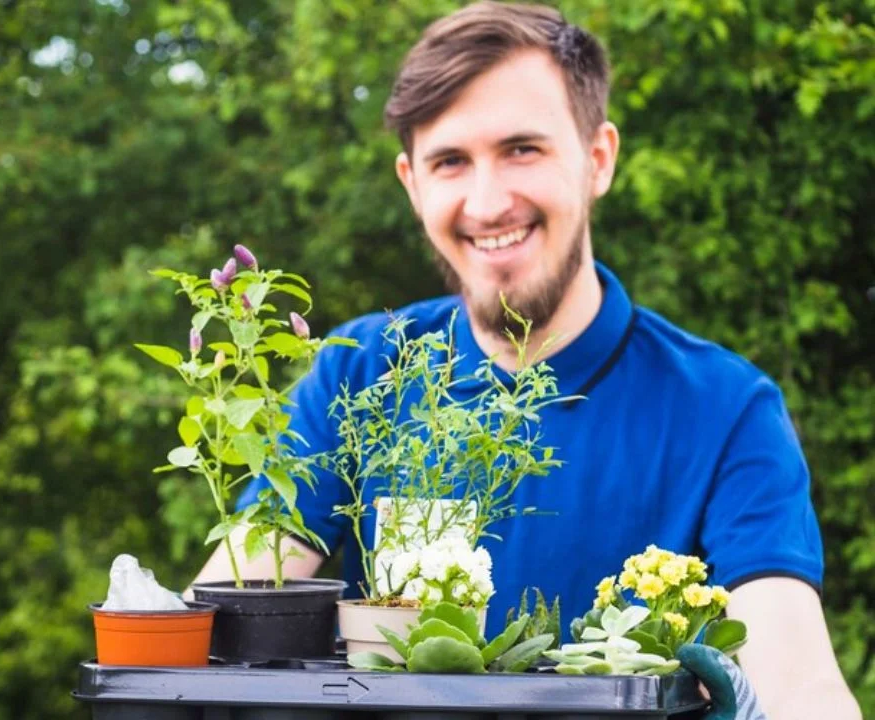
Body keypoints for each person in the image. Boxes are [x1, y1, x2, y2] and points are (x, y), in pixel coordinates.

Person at [185, 2, 861, 718]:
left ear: (597, 159)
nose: (488, 200)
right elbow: (218, 626)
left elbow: (799, 681)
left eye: (522, 149)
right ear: (413, 185)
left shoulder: (725, 409)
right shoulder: (358, 375)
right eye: (450, 161)